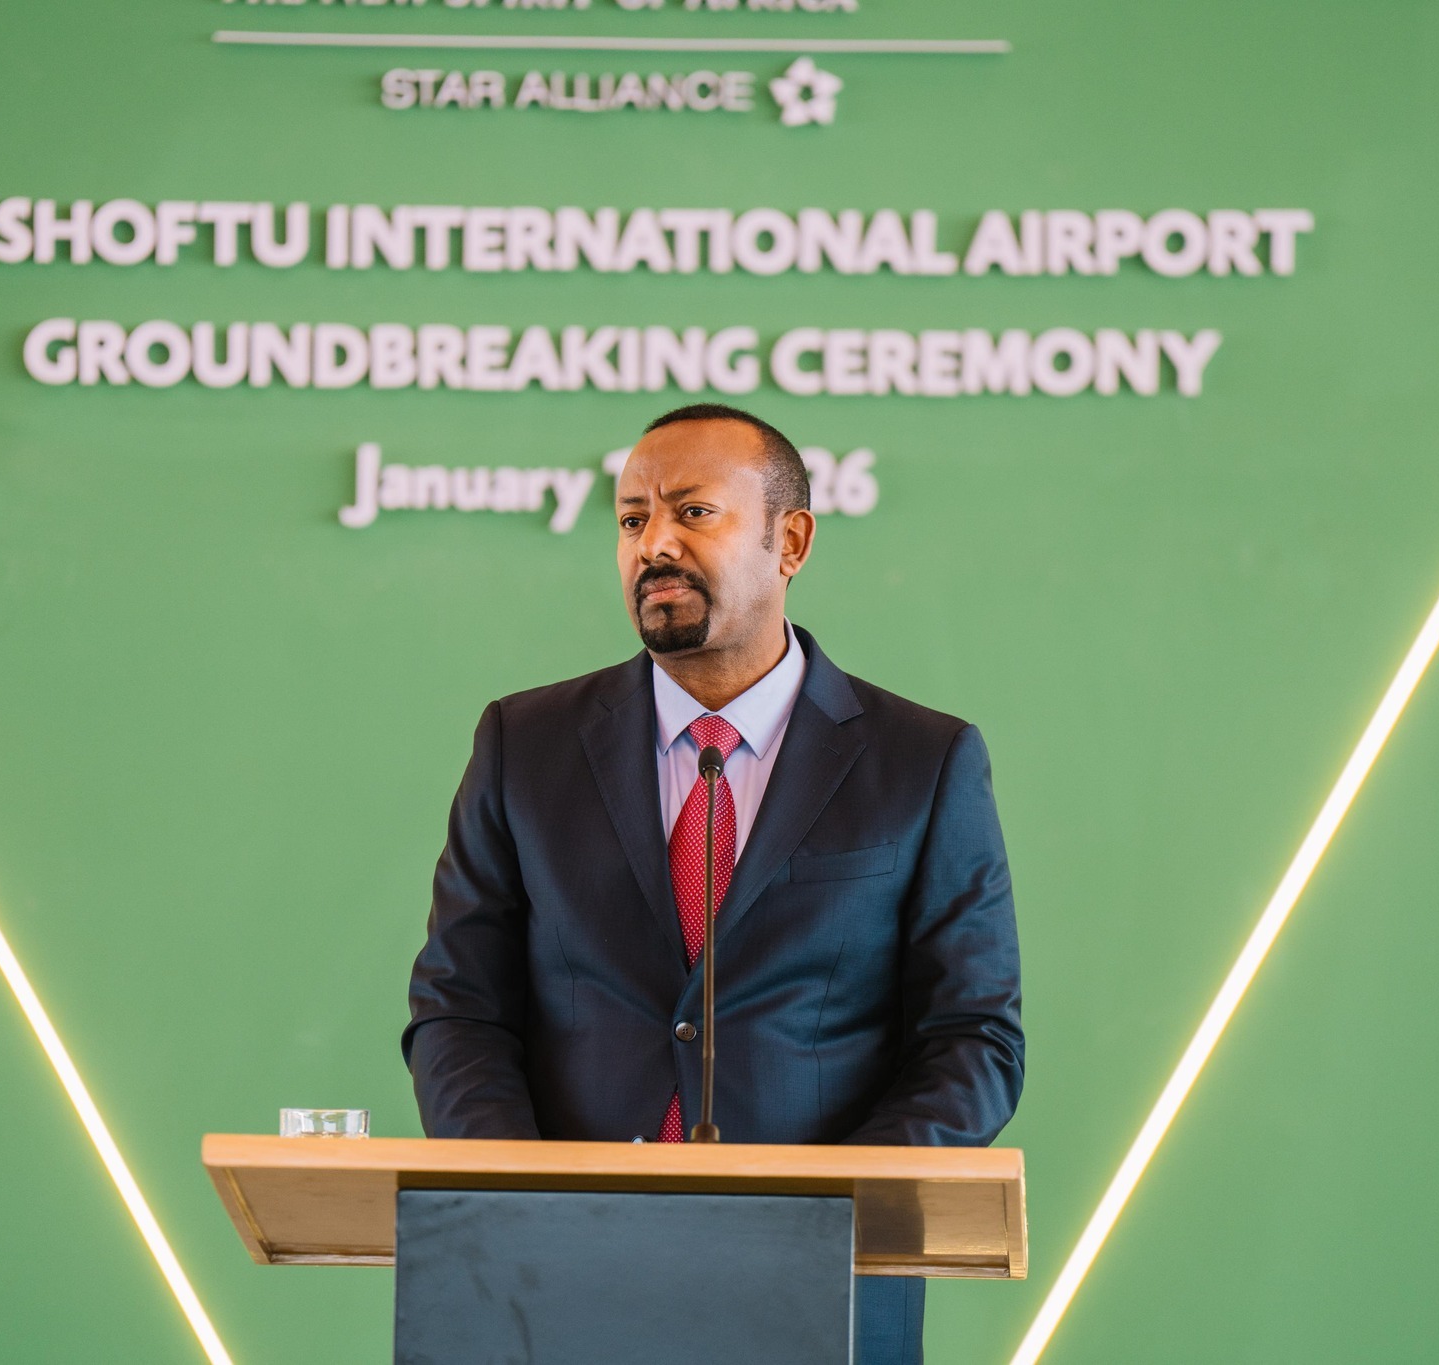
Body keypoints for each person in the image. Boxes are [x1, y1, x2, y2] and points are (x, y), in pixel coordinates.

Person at [404, 403, 1024, 1365]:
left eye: (693, 512)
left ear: (792, 541)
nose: (654, 544)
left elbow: (972, 1037)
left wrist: (824, 1210)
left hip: (823, 1285)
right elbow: (459, 1010)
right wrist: (521, 1193)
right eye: (632, 518)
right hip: (547, 1282)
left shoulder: (922, 761)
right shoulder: (522, 746)